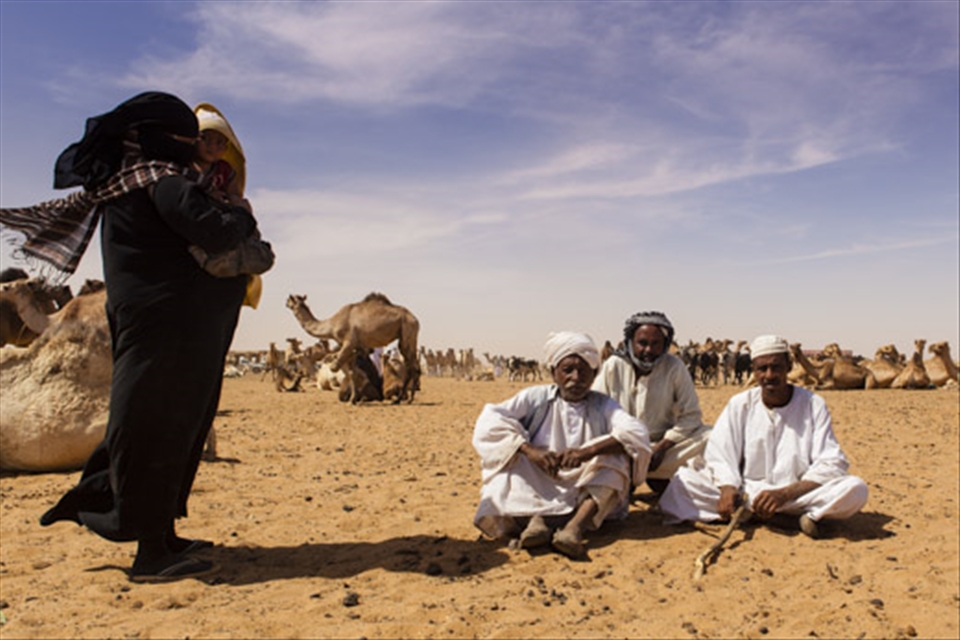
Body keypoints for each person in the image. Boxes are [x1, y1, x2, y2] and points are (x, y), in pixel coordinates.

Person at [1, 91, 268, 581]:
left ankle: (163, 535)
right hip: (163, 333)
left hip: (169, 333)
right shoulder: (161, 184)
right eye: (186, 136)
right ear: (162, 139)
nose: (194, 144)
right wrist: (243, 214)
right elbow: (217, 232)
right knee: (157, 430)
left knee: (174, 428)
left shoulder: (138, 185)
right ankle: (152, 555)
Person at [658, 335, 869, 538]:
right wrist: (728, 488)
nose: (769, 375)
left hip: (796, 494)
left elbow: (831, 461)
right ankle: (787, 520)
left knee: (856, 489)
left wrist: (785, 494)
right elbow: (720, 453)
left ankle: (760, 515)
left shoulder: (813, 405)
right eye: (762, 369)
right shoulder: (740, 404)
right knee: (682, 483)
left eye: (776, 367)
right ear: (754, 371)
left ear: (789, 366)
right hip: (746, 491)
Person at [472, 331, 651, 559]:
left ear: (594, 374)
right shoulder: (534, 398)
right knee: (506, 459)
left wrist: (587, 452)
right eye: (567, 370)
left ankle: (574, 528)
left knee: (617, 458)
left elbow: (636, 432)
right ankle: (535, 522)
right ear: (553, 373)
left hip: (583, 482)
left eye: (583, 371)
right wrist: (530, 450)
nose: (575, 378)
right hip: (540, 476)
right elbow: (490, 420)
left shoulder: (603, 404)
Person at [592, 311, 710, 493]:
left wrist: (662, 447)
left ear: (665, 345)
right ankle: (631, 473)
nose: (648, 350)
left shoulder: (675, 367)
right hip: (622, 448)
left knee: (712, 436)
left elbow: (691, 416)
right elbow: (595, 412)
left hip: (664, 448)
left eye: (656, 344)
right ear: (631, 341)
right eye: (642, 343)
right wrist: (624, 445)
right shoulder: (614, 365)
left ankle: (654, 474)